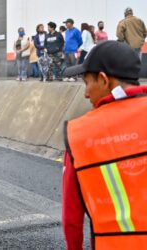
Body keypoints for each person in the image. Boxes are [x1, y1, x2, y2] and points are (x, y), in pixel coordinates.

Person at [62, 41, 147, 249]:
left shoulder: (78, 134)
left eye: (87, 83)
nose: (86, 94)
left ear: (103, 79)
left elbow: (71, 218)